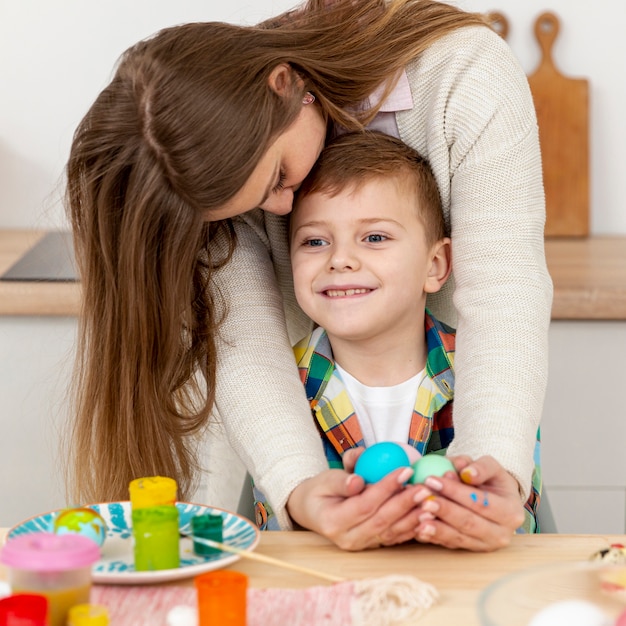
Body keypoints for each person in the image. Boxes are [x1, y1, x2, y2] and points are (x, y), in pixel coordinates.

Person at [64, 0, 553, 552]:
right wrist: (297, 487)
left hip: (472, 415)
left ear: (285, 86)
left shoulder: (464, 71)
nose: (279, 207)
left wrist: (498, 467)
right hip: (303, 440)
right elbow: (245, 339)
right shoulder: (203, 152)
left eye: (278, 175)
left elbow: (505, 290)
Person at [253, 130, 539, 538]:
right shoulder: (277, 389)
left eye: (375, 237)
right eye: (315, 241)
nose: (341, 259)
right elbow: (275, 533)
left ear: (435, 265)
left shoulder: (491, 378)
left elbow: (521, 523)